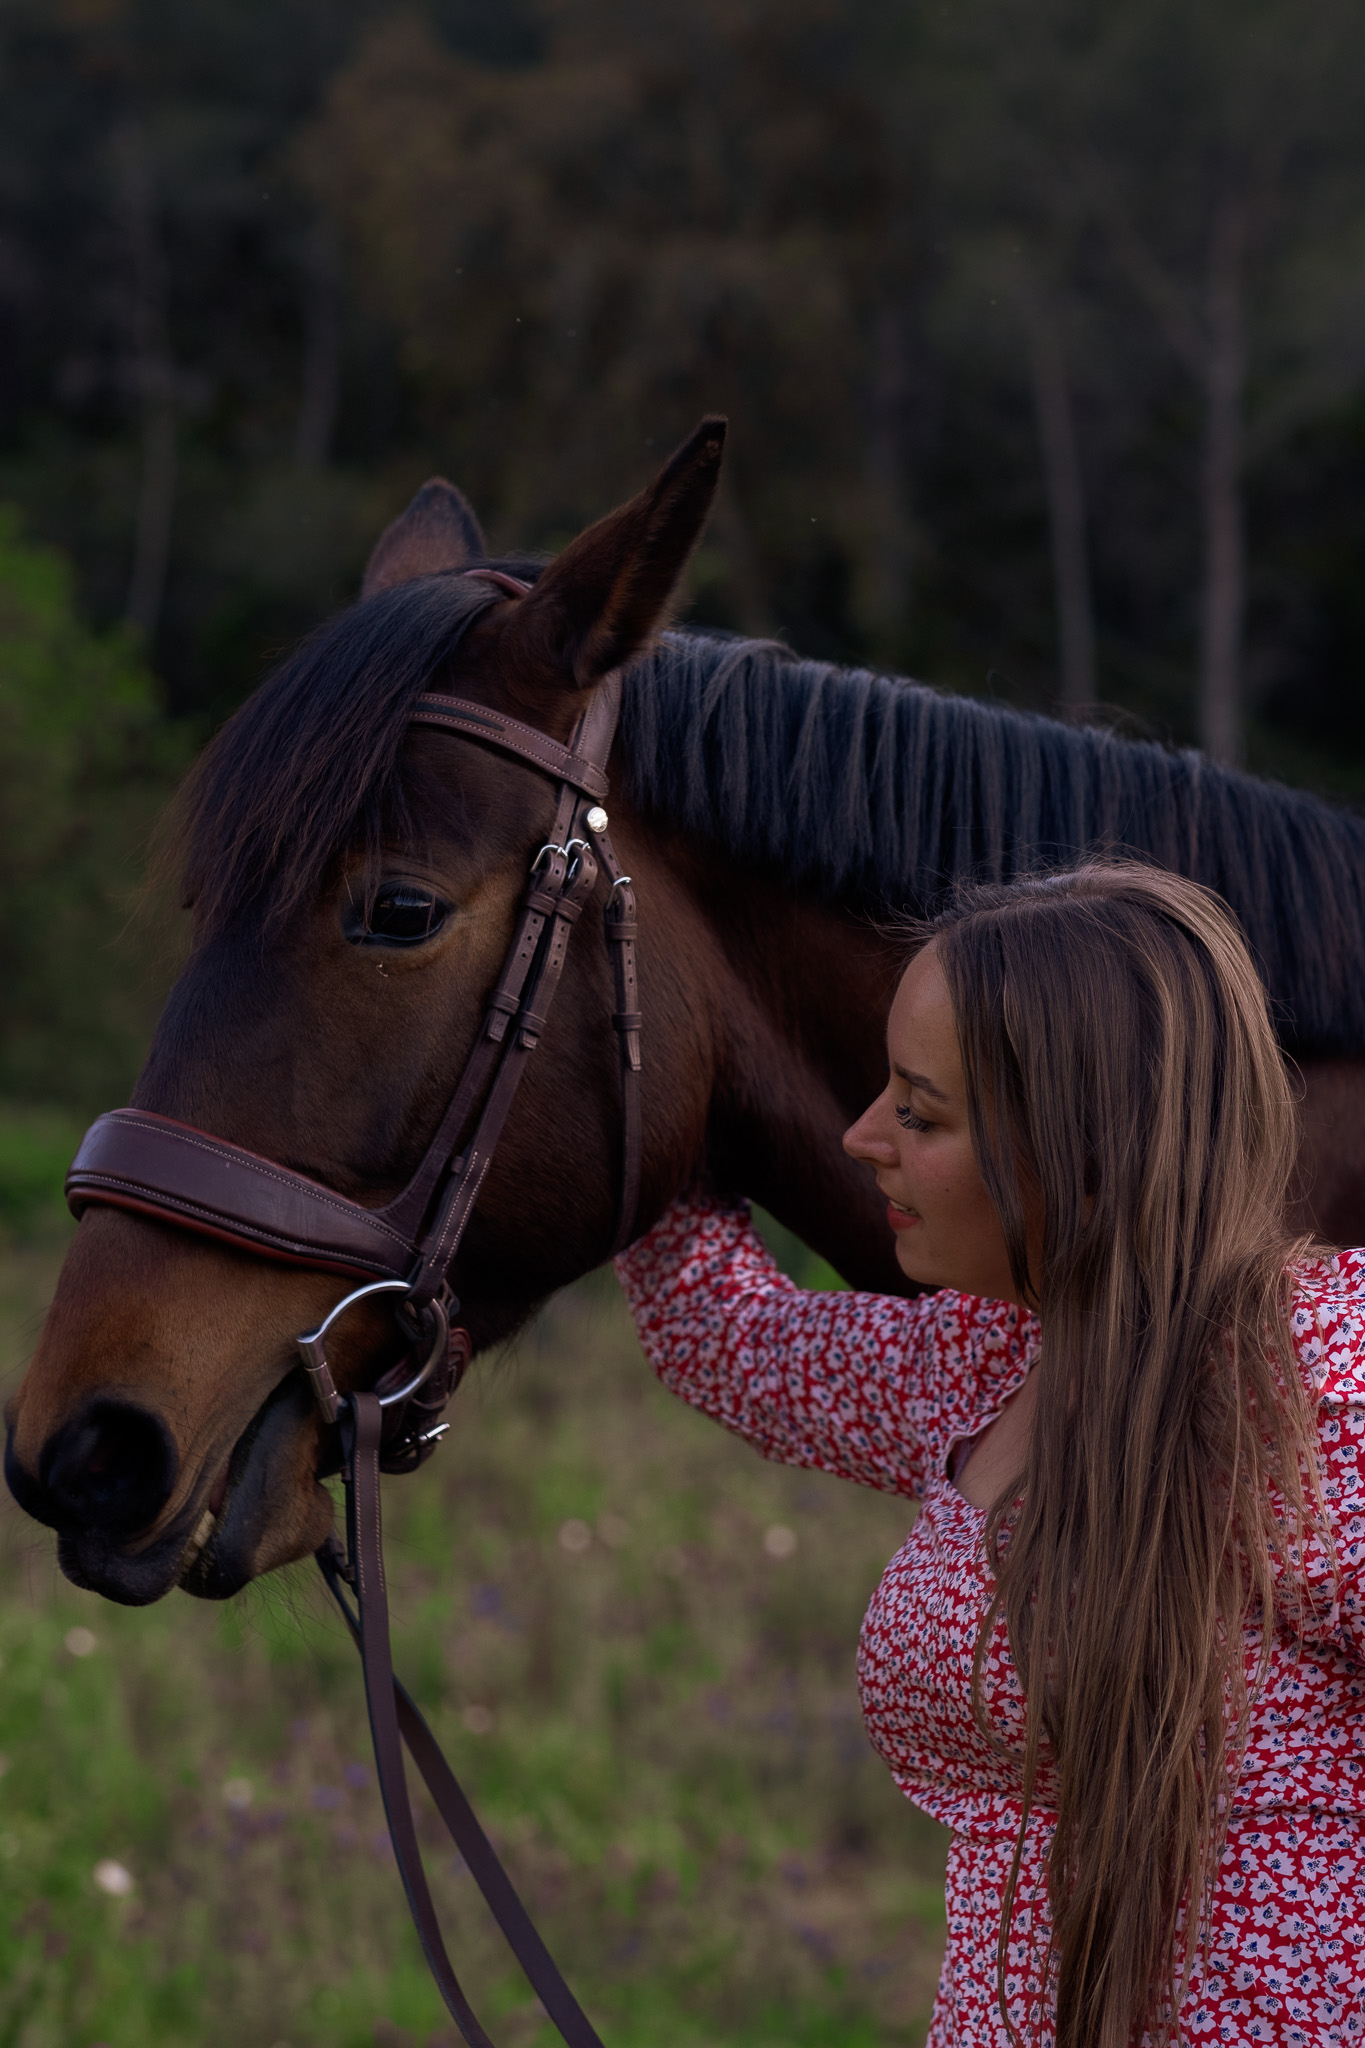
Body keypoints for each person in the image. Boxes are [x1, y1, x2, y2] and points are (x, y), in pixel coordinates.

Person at [614, 862, 1365, 2048]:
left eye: (920, 1113)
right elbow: (729, 1336)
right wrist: (624, 1056)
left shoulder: (1320, 1387)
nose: (861, 1136)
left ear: (1078, 1142)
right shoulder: (987, 1356)